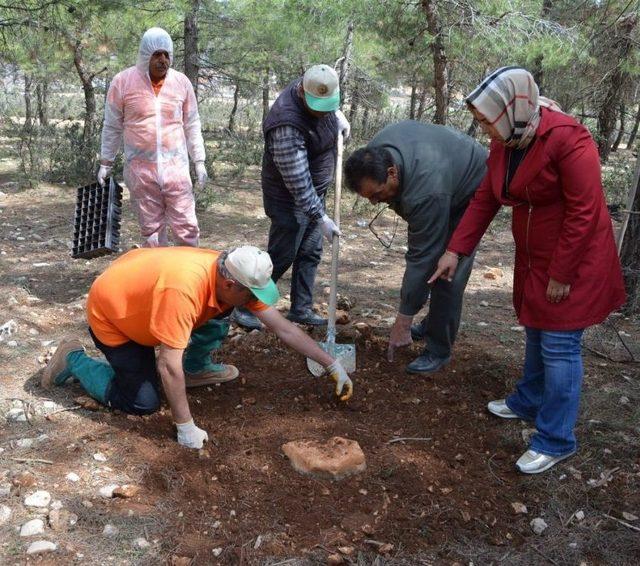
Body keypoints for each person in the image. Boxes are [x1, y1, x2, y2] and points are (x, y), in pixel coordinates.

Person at [430, 67, 626, 474]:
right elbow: (486, 197)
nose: (484, 128)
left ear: (511, 107)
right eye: (481, 120)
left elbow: (585, 211)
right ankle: (528, 399)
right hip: (535, 254)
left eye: (487, 119)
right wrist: (456, 249)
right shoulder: (509, 138)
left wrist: (563, 272)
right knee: (536, 327)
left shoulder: (569, 139)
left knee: (559, 345)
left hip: (574, 257)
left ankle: (556, 439)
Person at [41, 246, 353, 449]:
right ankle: (74, 359)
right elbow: (167, 364)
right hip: (116, 317)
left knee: (220, 315)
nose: (253, 300)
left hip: (147, 298)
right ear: (230, 284)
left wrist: (331, 364)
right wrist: (185, 426)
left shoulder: (232, 274)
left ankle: (196, 368)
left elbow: (282, 327)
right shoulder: (183, 292)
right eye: (250, 294)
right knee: (143, 403)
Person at [343, 121, 488, 374]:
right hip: (444, 175)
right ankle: (432, 324)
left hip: (472, 189)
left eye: (378, 194)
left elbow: (423, 255)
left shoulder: (424, 190)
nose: (376, 202)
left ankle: (438, 350)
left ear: (392, 173)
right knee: (433, 262)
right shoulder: (376, 152)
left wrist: (403, 318)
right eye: (370, 198)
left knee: (446, 270)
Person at [232, 64, 350, 331]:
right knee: (283, 253)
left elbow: (325, 102)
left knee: (310, 251)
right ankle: (246, 305)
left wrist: (337, 115)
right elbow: (298, 182)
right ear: (302, 93)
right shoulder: (285, 125)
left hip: (314, 193)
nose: (323, 111)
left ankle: (301, 308)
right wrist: (320, 216)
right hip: (289, 199)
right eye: (320, 107)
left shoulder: (315, 82)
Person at [98, 27, 207, 247]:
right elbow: (112, 126)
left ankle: (186, 275)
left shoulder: (181, 83)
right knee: (152, 231)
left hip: (176, 168)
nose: (163, 60)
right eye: (157, 54)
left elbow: (192, 124)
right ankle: (158, 275)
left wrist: (199, 161)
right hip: (141, 171)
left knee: (186, 225)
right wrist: (105, 162)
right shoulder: (123, 82)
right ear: (146, 55)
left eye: (167, 55)